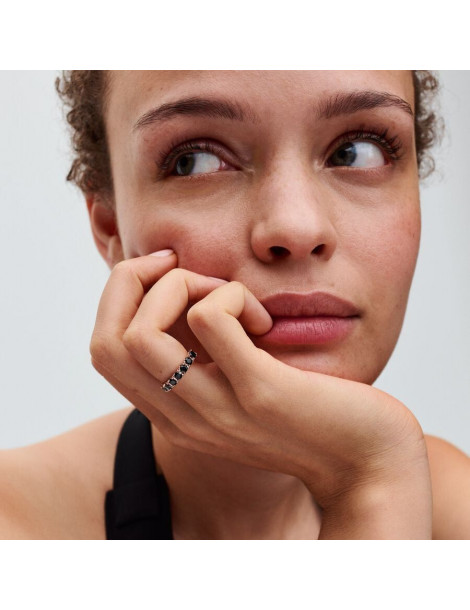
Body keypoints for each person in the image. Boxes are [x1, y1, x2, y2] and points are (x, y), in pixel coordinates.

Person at [1, 70, 469, 539]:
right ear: (111, 229)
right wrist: (367, 484)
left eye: (356, 151)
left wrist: (375, 477)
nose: (296, 229)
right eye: (196, 161)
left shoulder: (447, 505)